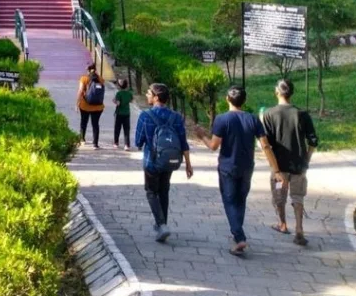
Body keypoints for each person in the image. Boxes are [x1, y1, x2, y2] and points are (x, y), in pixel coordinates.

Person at [193, 86, 282, 256]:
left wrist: (202, 135)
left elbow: (213, 146)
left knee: (229, 201)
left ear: (227, 99)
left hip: (228, 167)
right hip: (247, 166)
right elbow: (265, 145)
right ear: (244, 101)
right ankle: (237, 236)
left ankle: (239, 237)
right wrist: (275, 169)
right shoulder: (253, 119)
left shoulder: (222, 119)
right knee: (241, 200)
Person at [262, 79, 318, 246]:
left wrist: (275, 168)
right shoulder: (302, 114)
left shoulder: (269, 114)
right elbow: (313, 141)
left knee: (279, 196)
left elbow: (266, 145)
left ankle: (283, 224)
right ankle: (299, 229)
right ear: (291, 93)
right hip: (298, 166)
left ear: (277, 92)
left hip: (279, 166)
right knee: (298, 196)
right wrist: (306, 161)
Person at [134, 83, 193, 242]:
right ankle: (162, 223)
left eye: (148, 93)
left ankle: (161, 225)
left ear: (156, 97)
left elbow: (138, 142)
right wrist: (188, 164)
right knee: (164, 190)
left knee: (151, 192)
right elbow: (183, 142)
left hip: (151, 161)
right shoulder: (176, 117)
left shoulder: (145, 116)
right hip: (170, 161)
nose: (147, 96)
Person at [76, 63, 106, 148]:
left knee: (83, 122)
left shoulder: (84, 78)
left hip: (85, 105)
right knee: (95, 124)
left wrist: (77, 103)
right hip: (98, 106)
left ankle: (82, 140)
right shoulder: (100, 79)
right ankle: (95, 143)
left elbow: (80, 91)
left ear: (88, 70)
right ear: (95, 70)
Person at [113, 79, 133, 150]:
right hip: (127, 113)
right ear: (126, 85)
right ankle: (127, 145)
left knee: (117, 128)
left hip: (119, 113)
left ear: (119, 86)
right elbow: (131, 100)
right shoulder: (129, 93)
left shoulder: (119, 93)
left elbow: (118, 103)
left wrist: (114, 101)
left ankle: (116, 143)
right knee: (126, 130)